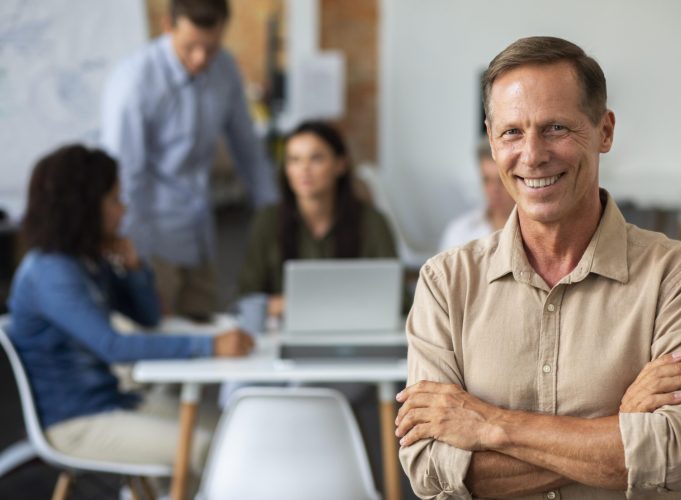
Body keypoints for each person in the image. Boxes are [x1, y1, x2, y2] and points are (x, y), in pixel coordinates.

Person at [395, 36, 681, 498]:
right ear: (491, 141)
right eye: (512, 132)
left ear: (605, 131)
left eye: (555, 128)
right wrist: (621, 431)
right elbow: (430, 469)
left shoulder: (679, 277)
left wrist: (490, 425)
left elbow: (675, 453)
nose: (532, 155)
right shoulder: (444, 283)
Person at [6, 145, 253, 477]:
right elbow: (113, 346)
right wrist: (211, 346)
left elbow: (147, 318)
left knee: (237, 429)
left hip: (114, 402)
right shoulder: (51, 272)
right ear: (84, 206)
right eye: (114, 199)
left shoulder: (84, 261)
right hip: (77, 424)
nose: (124, 210)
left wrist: (134, 267)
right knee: (210, 446)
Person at [100, 0, 278, 320]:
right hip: (150, 238)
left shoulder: (224, 68)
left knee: (208, 337)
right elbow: (126, 176)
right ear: (168, 26)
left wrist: (276, 216)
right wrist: (134, 259)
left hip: (201, 234)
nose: (200, 59)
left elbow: (249, 151)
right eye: (190, 47)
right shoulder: (135, 80)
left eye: (210, 47)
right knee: (160, 340)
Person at [238, 120, 397, 317]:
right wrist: (286, 305)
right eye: (294, 160)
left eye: (316, 159)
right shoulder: (268, 220)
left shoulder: (372, 222)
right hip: (281, 332)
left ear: (340, 165)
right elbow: (246, 299)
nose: (304, 169)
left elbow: (397, 298)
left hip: (354, 333)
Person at [439, 138, 516, 251]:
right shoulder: (459, 232)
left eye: (501, 180)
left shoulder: (537, 234)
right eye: (486, 180)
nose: (494, 189)